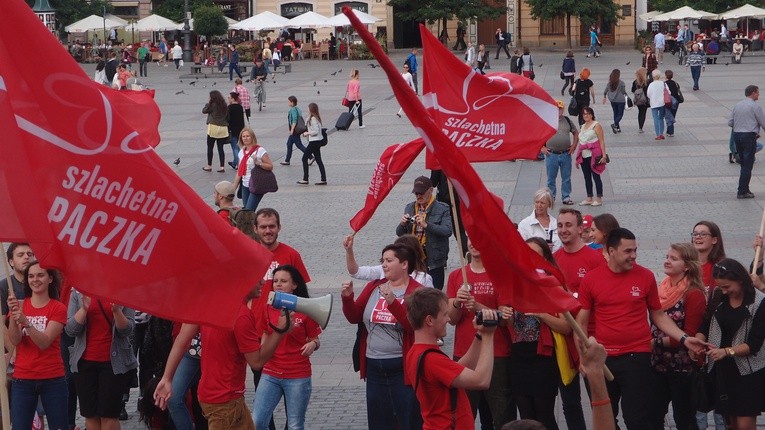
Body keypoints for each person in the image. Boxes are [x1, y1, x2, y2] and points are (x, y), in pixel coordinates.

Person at [577, 228, 707, 430]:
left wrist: (684, 338)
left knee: (637, 418)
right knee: (606, 416)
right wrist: (583, 358)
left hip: (636, 357)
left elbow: (658, 315)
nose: (633, 256)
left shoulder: (645, 276)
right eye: (628, 251)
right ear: (611, 251)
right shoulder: (592, 279)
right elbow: (581, 322)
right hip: (604, 358)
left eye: (635, 250)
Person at [154, 282, 289, 430]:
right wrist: (280, 331)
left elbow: (182, 339)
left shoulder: (208, 302)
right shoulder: (241, 315)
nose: (263, 282)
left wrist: (167, 378)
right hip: (226, 402)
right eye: (257, 277)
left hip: (215, 396)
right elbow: (256, 362)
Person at [341, 243, 425, 430]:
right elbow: (354, 317)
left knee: (408, 420)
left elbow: (413, 326)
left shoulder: (417, 292)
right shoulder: (374, 286)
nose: (384, 265)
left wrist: (394, 303)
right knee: (379, 421)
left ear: (404, 264)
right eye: (382, 261)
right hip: (374, 367)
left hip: (403, 369)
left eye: (389, 260)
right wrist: (347, 298)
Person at [406, 287, 498, 428]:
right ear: (429, 320)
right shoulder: (432, 359)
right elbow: (481, 381)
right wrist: (489, 336)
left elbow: (458, 369)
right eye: (444, 315)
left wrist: (480, 335)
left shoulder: (417, 351)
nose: (449, 319)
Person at [447, 240, 514, 428]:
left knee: (502, 415)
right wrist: (456, 303)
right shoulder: (456, 275)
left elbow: (505, 318)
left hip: (497, 354)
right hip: (465, 354)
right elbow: (451, 319)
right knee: (463, 413)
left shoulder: (500, 275)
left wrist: (478, 307)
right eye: (470, 239)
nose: (474, 243)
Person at [695, 259, 765, 430]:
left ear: (740, 280)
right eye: (721, 287)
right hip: (722, 369)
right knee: (731, 423)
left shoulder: (759, 302)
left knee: (744, 424)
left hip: (749, 371)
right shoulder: (718, 295)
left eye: (727, 287)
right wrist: (698, 340)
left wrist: (727, 351)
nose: (724, 291)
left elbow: (754, 345)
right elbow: (705, 322)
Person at [252, 265, 321, 430]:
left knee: (295, 425)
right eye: (275, 281)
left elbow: (315, 339)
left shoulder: (306, 309)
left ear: (294, 285)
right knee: (258, 421)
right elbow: (264, 338)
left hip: (297, 375)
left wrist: (312, 344)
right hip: (270, 373)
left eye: (283, 281)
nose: (278, 284)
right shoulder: (267, 308)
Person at [552, 208, 603, 430]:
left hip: (590, 338)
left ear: (581, 229)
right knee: (569, 402)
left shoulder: (595, 259)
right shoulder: (554, 260)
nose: (563, 230)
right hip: (564, 341)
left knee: (598, 398)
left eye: (568, 225)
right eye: (560, 225)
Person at [649, 243, 707, 430]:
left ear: (687, 266)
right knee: (653, 414)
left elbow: (689, 335)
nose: (667, 261)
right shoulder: (661, 288)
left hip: (683, 368)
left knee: (684, 419)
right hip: (657, 364)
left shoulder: (694, 294)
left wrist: (654, 342)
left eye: (674, 259)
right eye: (667, 256)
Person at [7, 261, 68, 430]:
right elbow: (15, 340)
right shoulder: (20, 305)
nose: (35, 279)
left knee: (59, 427)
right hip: (23, 379)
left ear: (50, 279)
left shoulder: (58, 308)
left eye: (40, 275)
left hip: (52, 379)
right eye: (31, 276)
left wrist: (27, 322)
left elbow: (44, 342)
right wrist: (13, 316)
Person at [66, 288, 137, 430]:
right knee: (90, 415)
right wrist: (84, 309)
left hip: (113, 363)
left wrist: (117, 311)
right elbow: (70, 330)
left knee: (109, 416)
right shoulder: (78, 292)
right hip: (84, 362)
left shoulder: (124, 291)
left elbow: (127, 330)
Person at [395, 176, 453, 290]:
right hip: (414, 256)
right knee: (414, 292)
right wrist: (402, 224)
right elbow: (399, 233)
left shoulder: (442, 208)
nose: (418, 196)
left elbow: (447, 231)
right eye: (416, 193)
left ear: (431, 190)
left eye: (421, 193)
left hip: (434, 259)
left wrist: (427, 225)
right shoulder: (410, 207)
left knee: (434, 292)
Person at [344, 234, 434, 288]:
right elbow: (356, 272)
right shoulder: (382, 270)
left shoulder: (423, 279)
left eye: (389, 260)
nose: (384, 265)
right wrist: (349, 251)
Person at [729, 85, 765, 199]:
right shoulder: (755, 106)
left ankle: (745, 188)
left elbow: (730, 122)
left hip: (737, 135)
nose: (759, 95)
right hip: (749, 136)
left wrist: (740, 124)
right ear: (753, 93)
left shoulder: (737, 105)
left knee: (743, 163)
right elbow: (763, 122)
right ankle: (742, 191)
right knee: (747, 164)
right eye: (758, 93)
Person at [543, 100, 578, 206]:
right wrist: (542, 148)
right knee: (551, 178)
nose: (558, 110)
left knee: (566, 177)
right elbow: (536, 134)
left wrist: (574, 146)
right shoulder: (547, 120)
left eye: (560, 109)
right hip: (551, 154)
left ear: (563, 110)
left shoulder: (567, 120)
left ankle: (566, 196)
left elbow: (575, 132)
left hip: (565, 154)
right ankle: (551, 197)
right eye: (556, 108)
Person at [233, 128, 273, 211]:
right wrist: (233, 187)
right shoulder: (241, 152)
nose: (245, 138)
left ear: (252, 137)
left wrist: (259, 163)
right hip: (245, 185)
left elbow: (270, 166)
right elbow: (239, 171)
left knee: (249, 211)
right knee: (247, 212)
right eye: (243, 136)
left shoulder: (260, 150)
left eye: (248, 136)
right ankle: (254, 223)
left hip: (256, 184)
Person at [574, 106, 606, 207]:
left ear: (591, 114)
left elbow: (601, 141)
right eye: (584, 114)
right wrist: (577, 157)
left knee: (596, 175)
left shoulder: (596, 125)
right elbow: (581, 141)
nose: (586, 115)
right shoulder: (582, 126)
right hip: (584, 155)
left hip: (594, 154)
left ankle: (599, 198)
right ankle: (589, 197)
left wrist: (603, 155)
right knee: (587, 177)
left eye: (587, 113)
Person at [692, 221, 726, 296]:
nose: (697, 237)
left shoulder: (721, 267)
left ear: (714, 240)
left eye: (703, 234)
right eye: (695, 234)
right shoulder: (686, 265)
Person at [1, 243, 34, 316]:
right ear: (11, 262)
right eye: (20, 255)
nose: (26, 257)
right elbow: (1, 324)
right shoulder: (3, 286)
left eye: (29, 254)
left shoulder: (44, 282)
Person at [298, 102, 327, 185]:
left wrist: (307, 133)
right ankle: (323, 179)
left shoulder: (313, 119)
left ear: (311, 109)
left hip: (314, 141)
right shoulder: (314, 118)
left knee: (304, 158)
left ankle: (305, 178)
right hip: (316, 141)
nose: (307, 109)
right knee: (318, 160)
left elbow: (316, 131)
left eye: (308, 108)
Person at [202, 90, 229, 172]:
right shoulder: (224, 105)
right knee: (220, 148)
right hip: (223, 128)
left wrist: (208, 104)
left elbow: (204, 111)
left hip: (213, 128)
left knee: (210, 147)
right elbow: (228, 117)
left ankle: (209, 166)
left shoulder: (212, 105)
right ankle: (222, 167)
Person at [281, 95, 309, 166]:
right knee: (289, 144)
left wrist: (292, 130)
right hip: (296, 130)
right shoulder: (297, 108)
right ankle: (287, 160)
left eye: (288, 101)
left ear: (292, 102)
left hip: (295, 130)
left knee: (299, 145)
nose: (287, 102)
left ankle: (311, 156)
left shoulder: (293, 109)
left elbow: (294, 120)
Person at [602, 69, 627, 133]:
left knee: (615, 113)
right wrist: (626, 96)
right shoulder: (621, 83)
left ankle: (617, 128)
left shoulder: (609, 83)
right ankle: (615, 124)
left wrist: (604, 97)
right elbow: (623, 92)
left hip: (612, 100)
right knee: (620, 114)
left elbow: (605, 91)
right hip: (621, 100)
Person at [646, 69, 667, 140]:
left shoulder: (651, 84)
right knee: (661, 118)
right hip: (662, 103)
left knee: (655, 118)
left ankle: (657, 134)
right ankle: (661, 133)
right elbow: (668, 92)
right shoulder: (663, 83)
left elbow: (648, 94)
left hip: (654, 103)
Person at [227, 92, 245, 169]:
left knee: (235, 148)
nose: (228, 99)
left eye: (229, 98)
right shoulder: (240, 107)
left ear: (233, 99)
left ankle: (238, 164)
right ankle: (234, 163)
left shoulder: (229, 108)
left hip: (232, 130)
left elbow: (228, 119)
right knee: (239, 147)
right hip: (241, 129)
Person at [631, 67, 650, 133]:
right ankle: (640, 127)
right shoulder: (647, 82)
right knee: (643, 113)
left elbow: (632, 90)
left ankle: (640, 127)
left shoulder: (635, 82)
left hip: (638, 100)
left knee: (640, 112)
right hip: (645, 100)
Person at [664, 70, 682, 137]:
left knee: (669, 116)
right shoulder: (676, 83)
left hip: (668, 101)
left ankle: (671, 132)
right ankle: (669, 130)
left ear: (666, 76)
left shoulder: (664, 83)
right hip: (676, 102)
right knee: (673, 115)